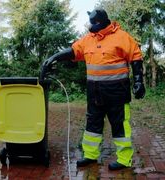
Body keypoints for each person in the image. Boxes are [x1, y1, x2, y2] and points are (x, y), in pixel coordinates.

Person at [41, 8, 145, 170]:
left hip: (117, 91)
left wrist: (139, 80)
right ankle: (90, 155)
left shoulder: (122, 37)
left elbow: (136, 57)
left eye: (93, 23)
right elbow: (73, 51)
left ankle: (125, 159)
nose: (90, 26)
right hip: (94, 92)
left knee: (119, 125)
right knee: (92, 124)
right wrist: (54, 57)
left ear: (102, 21)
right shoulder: (88, 39)